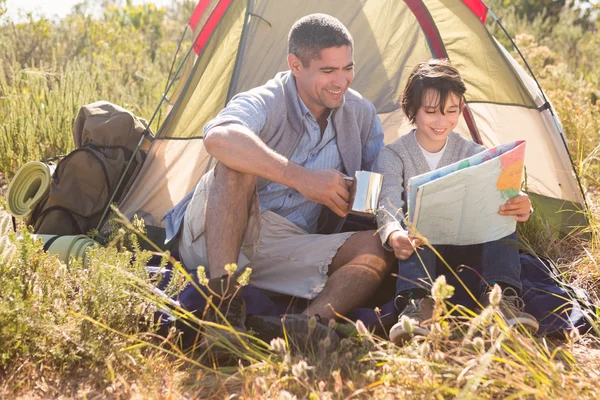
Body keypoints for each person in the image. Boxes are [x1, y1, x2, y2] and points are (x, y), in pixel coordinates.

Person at [166, 14, 394, 345]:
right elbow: (219, 138)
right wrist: (300, 178)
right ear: (295, 65)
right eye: (328, 71)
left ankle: (303, 327)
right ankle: (224, 309)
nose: (341, 81)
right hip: (217, 229)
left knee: (376, 246)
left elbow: (380, 184)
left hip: (287, 241)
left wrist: (364, 195)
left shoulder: (359, 113)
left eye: (347, 68)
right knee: (235, 165)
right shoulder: (267, 99)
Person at [374, 59, 539, 345]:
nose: (442, 121)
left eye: (451, 111)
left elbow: (499, 195)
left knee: (501, 212)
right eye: (431, 112)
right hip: (422, 250)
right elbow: (387, 203)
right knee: (416, 217)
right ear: (411, 109)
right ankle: (417, 306)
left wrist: (520, 204)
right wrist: (393, 234)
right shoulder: (394, 154)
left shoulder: (472, 151)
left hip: (472, 247)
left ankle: (501, 301)